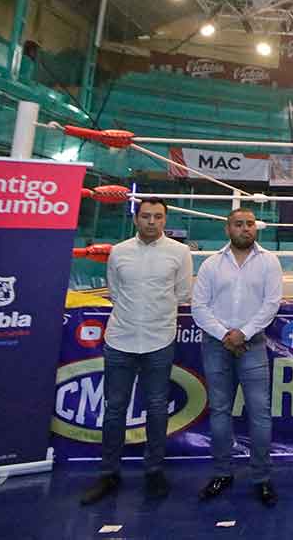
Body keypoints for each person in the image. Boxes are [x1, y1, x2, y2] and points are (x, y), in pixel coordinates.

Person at [80, 197, 192, 505]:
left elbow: (182, 293)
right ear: (136, 219)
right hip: (120, 340)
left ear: (165, 220)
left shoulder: (180, 253)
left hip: (159, 340)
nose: (152, 222)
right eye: (146, 216)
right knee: (114, 409)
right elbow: (115, 291)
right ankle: (109, 473)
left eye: (158, 216)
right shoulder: (119, 252)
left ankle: (154, 471)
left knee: (157, 408)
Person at [192, 208, 284, 506]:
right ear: (227, 229)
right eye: (238, 224)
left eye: (249, 224)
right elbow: (199, 307)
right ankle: (222, 472)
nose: (245, 229)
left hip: (252, 343)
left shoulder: (269, 262)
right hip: (217, 345)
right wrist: (225, 335)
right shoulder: (211, 264)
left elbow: (271, 304)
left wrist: (242, 334)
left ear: (256, 228)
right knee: (219, 411)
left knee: (259, 412)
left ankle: (261, 477)